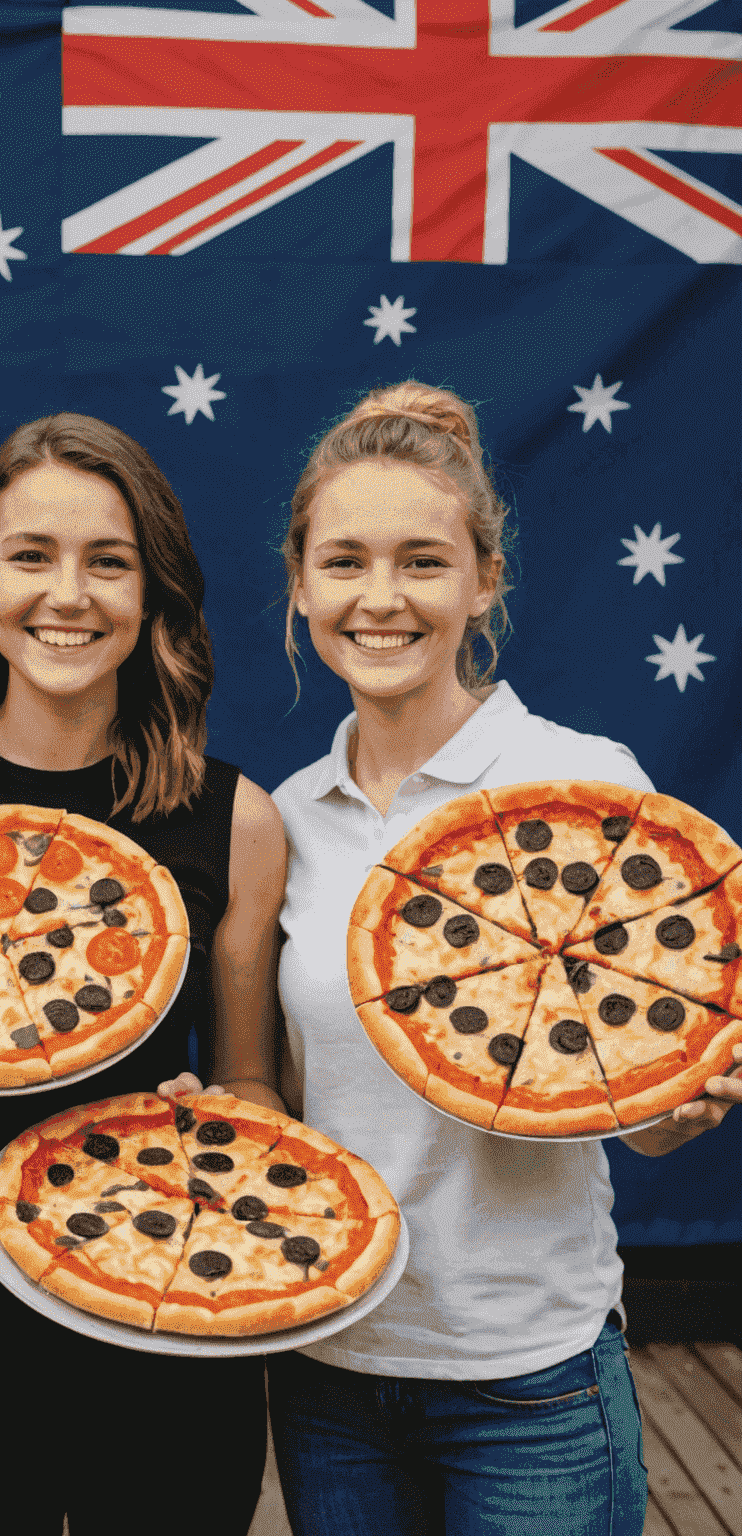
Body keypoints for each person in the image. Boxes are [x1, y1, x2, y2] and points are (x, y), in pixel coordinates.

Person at [202, 380, 740, 1536]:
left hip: (528, 1370)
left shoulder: (586, 785)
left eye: (423, 563)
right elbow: (279, 1095)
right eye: (344, 562)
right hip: (329, 1356)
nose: (381, 599)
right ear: (300, 588)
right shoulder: (285, 818)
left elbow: (638, 1098)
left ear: (483, 581)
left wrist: (676, 1107)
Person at [0, 413, 289, 1536]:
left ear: (154, 594)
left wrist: (221, 1117)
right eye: (32, 556)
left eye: (108, 562)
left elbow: (253, 1086)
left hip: (165, 1283)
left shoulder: (236, 819)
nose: (67, 594)